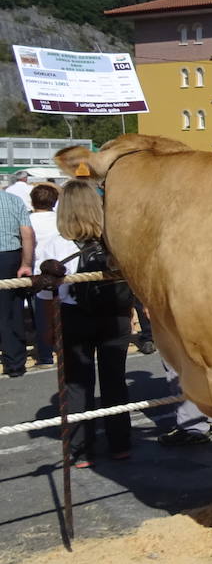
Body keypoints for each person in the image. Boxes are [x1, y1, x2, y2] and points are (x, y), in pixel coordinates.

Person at [34, 180, 134, 465]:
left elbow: (46, 292)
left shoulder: (55, 242)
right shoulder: (114, 240)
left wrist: (48, 329)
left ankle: (80, 450)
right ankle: (120, 443)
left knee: (77, 384)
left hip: (73, 315)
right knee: (115, 382)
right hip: (114, 316)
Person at [0, 186, 34, 377]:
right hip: (10, 257)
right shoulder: (14, 200)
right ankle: (15, 363)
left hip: (9, 255)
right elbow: (27, 234)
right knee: (12, 310)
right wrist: (26, 263)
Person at [27, 183, 61, 370]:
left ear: (32, 201)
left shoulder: (28, 220)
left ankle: (45, 355)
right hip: (61, 272)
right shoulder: (59, 220)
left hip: (36, 274)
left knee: (41, 317)